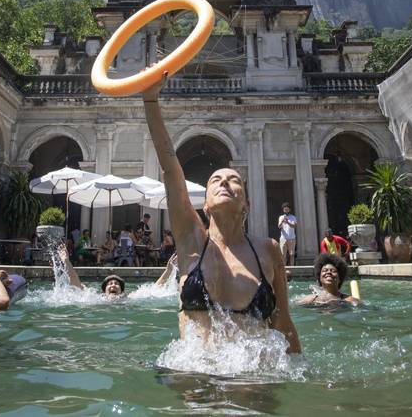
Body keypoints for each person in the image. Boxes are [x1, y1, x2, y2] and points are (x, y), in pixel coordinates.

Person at [143, 78, 300, 354]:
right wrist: (150, 101)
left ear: (247, 204)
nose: (224, 182)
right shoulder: (191, 242)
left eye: (234, 179)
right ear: (204, 206)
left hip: (254, 377)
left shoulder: (268, 249)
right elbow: (171, 170)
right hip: (195, 374)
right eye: (215, 180)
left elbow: (283, 321)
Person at [59, 245, 177, 298]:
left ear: (121, 291)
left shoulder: (129, 298)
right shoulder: (95, 298)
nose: (113, 285)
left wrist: (168, 270)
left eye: (116, 284)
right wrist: (66, 261)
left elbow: (154, 288)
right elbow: (77, 284)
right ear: (104, 290)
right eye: (110, 284)